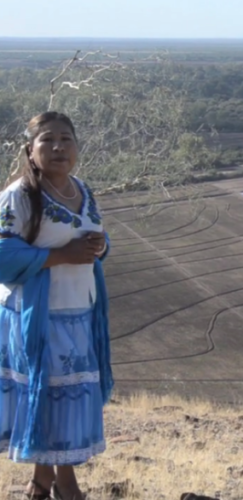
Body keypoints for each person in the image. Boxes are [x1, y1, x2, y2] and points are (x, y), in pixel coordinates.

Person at [0, 112, 113, 500]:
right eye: (47, 140)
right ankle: (66, 485)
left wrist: (100, 246)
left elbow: (94, 235)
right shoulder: (19, 196)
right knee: (50, 393)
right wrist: (61, 255)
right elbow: (2, 253)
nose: (59, 147)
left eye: (66, 139)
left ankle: (41, 479)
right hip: (38, 316)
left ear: (77, 147)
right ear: (30, 151)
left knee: (57, 393)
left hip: (79, 311)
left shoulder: (82, 188)